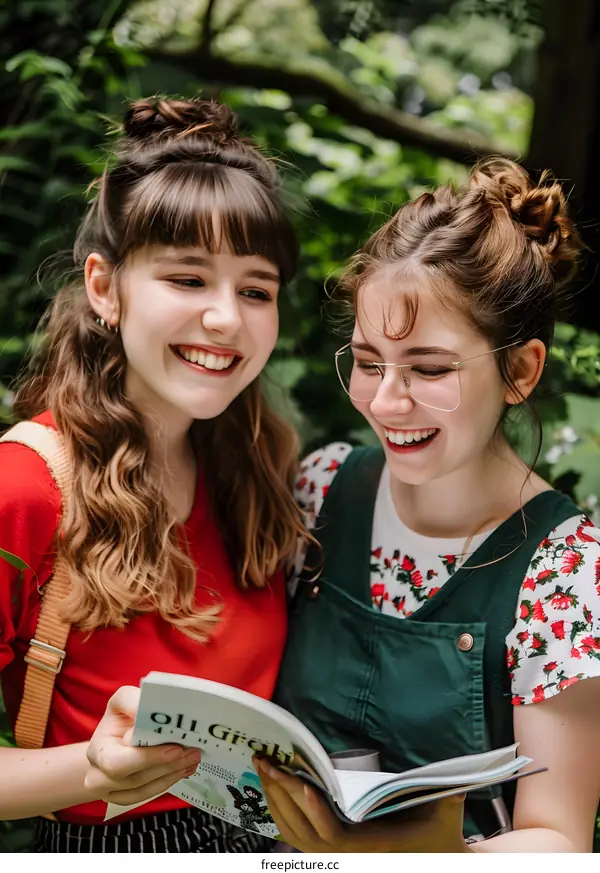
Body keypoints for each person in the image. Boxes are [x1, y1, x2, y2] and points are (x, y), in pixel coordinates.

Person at [257, 158, 600, 852]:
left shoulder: (563, 572)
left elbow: (556, 839)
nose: (386, 401)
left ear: (522, 370)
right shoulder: (320, 490)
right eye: (368, 359)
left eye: (430, 367)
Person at [0, 96, 307, 852]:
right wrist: (93, 769)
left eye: (256, 289)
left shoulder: (260, 465)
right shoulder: (27, 485)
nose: (227, 319)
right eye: (189, 279)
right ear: (106, 287)